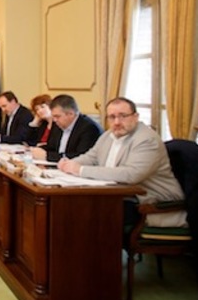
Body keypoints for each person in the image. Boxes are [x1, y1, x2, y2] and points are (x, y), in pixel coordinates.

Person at [59, 97, 185, 228]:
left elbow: (131, 174)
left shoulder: (147, 140)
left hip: (152, 202)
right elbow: (91, 157)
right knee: (72, 206)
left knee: (89, 214)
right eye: (112, 117)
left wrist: (80, 170)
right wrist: (68, 164)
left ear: (135, 117)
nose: (117, 122)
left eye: (123, 116)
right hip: (120, 197)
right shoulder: (108, 135)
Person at [31, 94, 102, 162]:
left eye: (57, 116)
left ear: (70, 114)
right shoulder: (58, 124)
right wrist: (37, 150)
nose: (54, 120)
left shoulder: (89, 128)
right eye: (53, 116)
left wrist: (48, 156)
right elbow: (52, 147)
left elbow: (81, 156)